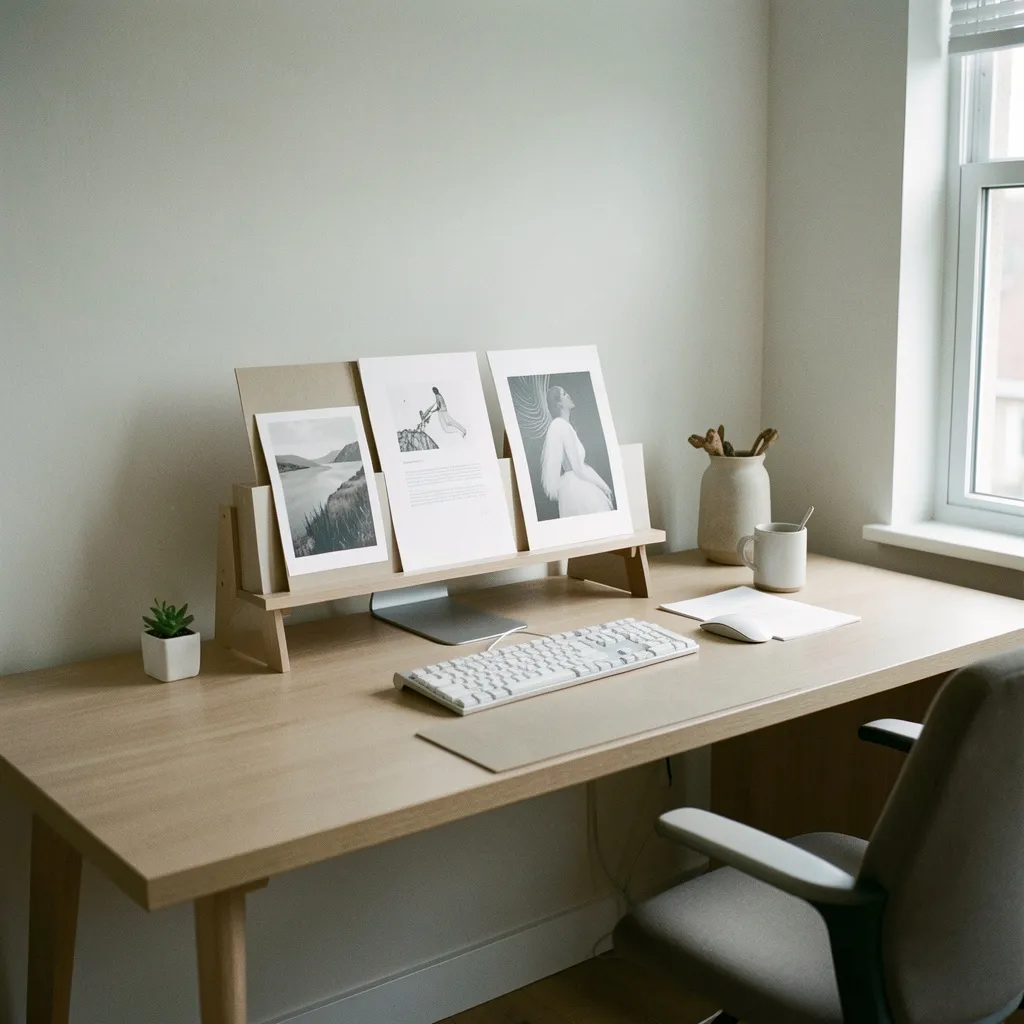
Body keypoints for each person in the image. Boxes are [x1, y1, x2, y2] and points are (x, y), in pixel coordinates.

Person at [540, 385, 614, 516]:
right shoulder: (563, 427)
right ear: (558, 404)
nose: (568, 395)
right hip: (579, 488)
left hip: (572, 487)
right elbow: (578, 469)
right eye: (564, 394)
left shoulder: (563, 426)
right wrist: (603, 485)